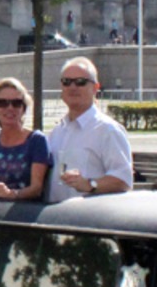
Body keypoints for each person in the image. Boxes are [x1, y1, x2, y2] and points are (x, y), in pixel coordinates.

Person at [43, 56, 134, 202]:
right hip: (53, 219)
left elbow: (123, 179)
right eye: (67, 82)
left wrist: (90, 184)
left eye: (81, 82)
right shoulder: (57, 131)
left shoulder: (108, 130)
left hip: (88, 220)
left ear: (95, 88)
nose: (72, 87)